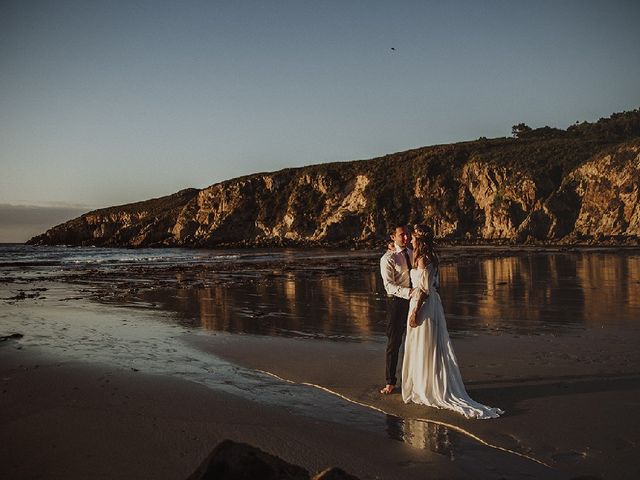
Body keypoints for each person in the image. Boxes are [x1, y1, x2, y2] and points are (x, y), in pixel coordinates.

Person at [402, 224, 504, 419]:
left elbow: (423, 289)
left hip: (423, 304)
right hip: (431, 303)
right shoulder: (431, 256)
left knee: (424, 345)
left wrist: (415, 312)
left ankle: (426, 387)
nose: (411, 241)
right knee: (429, 345)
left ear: (420, 241)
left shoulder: (423, 259)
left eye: (414, 238)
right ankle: (427, 382)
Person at [379, 224, 413, 395]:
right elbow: (389, 286)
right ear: (393, 237)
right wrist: (410, 292)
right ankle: (390, 382)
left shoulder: (413, 253)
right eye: (402, 235)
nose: (405, 238)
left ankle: (415, 379)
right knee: (394, 343)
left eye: (407, 234)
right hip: (397, 303)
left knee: (414, 341)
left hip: (414, 302)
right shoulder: (388, 258)